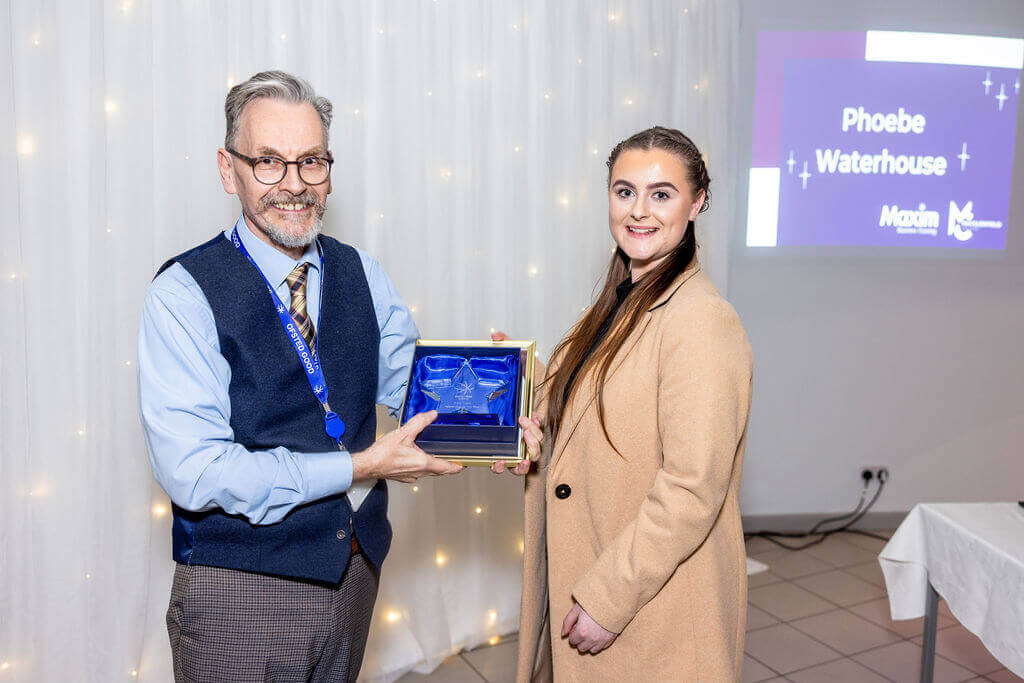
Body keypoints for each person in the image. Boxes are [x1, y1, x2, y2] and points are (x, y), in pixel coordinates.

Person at [138, 70, 462, 682]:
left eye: (310, 161)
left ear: (330, 170)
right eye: (268, 162)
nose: (293, 185)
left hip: (354, 570)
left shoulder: (362, 271)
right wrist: (359, 467)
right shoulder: (182, 294)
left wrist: (496, 403)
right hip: (240, 590)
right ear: (227, 169)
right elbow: (197, 472)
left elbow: (413, 384)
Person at [494, 126, 753, 681]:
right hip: (601, 563)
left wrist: (609, 597)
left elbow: (691, 487)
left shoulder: (702, 321)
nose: (639, 210)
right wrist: (518, 388)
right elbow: (607, 398)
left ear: (697, 202)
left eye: (662, 194)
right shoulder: (623, 296)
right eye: (624, 191)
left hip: (651, 606)